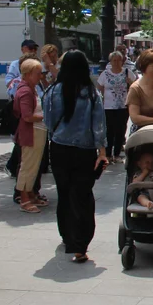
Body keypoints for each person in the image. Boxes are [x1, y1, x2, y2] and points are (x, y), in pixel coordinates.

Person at [43, 50, 108, 263]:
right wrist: (102, 151)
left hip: (60, 148)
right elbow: (98, 124)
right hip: (84, 151)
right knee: (83, 195)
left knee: (64, 194)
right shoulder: (91, 94)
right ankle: (81, 244)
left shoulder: (53, 91)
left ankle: (68, 237)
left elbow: (48, 121)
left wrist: (58, 135)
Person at [14, 58, 47, 213]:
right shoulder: (25, 91)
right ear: (27, 74)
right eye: (37, 73)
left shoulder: (31, 89)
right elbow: (27, 116)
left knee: (33, 166)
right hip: (31, 132)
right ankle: (24, 198)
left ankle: (30, 194)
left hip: (37, 131)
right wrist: (46, 117)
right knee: (27, 166)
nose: (40, 76)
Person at [97, 51, 136, 163]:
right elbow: (99, 87)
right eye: (114, 60)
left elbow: (136, 86)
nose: (117, 63)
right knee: (109, 130)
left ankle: (117, 153)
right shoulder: (105, 74)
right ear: (110, 62)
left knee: (120, 129)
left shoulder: (127, 72)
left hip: (123, 106)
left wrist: (130, 83)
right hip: (108, 107)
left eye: (119, 60)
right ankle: (108, 153)